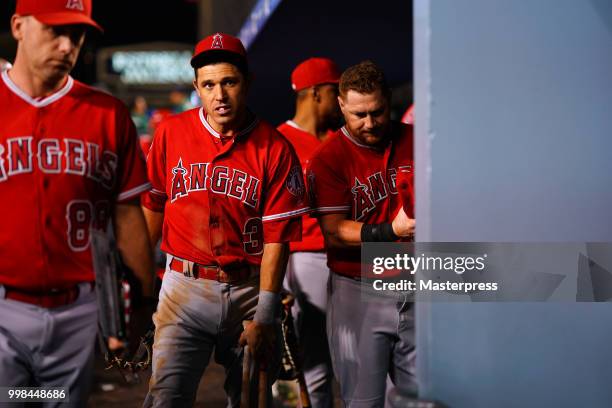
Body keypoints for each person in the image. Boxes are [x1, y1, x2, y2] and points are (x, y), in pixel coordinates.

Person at [0, 0, 155, 405]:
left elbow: (127, 216)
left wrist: (141, 306)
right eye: (55, 30)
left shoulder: (108, 114)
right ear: (18, 26)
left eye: (77, 33)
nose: (69, 45)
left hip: (78, 312)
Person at [141, 32, 308, 407]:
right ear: (197, 87)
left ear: (246, 83)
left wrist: (265, 314)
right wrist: (138, 287)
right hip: (183, 287)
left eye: (229, 82)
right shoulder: (170, 133)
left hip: (249, 290)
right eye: (210, 84)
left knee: (252, 401)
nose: (220, 95)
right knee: (166, 398)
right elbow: (151, 206)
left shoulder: (275, 147)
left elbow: (277, 237)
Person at [307, 60, 416, 407]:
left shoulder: (416, 141)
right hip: (358, 284)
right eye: (358, 115)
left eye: (377, 111)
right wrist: (392, 230)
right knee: (362, 401)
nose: (369, 123)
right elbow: (335, 231)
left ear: (388, 101)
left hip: (419, 279)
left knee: (424, 398)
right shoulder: (329, 158)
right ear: (341, 106)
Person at [276, 57, 342, 407]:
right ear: (316, 93)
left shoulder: (339, 141)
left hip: (347, 259)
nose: (341, 101)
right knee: (308, 364)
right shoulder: (278, 141)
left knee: (347, 360)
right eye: (336, 92)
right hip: (303, 259)